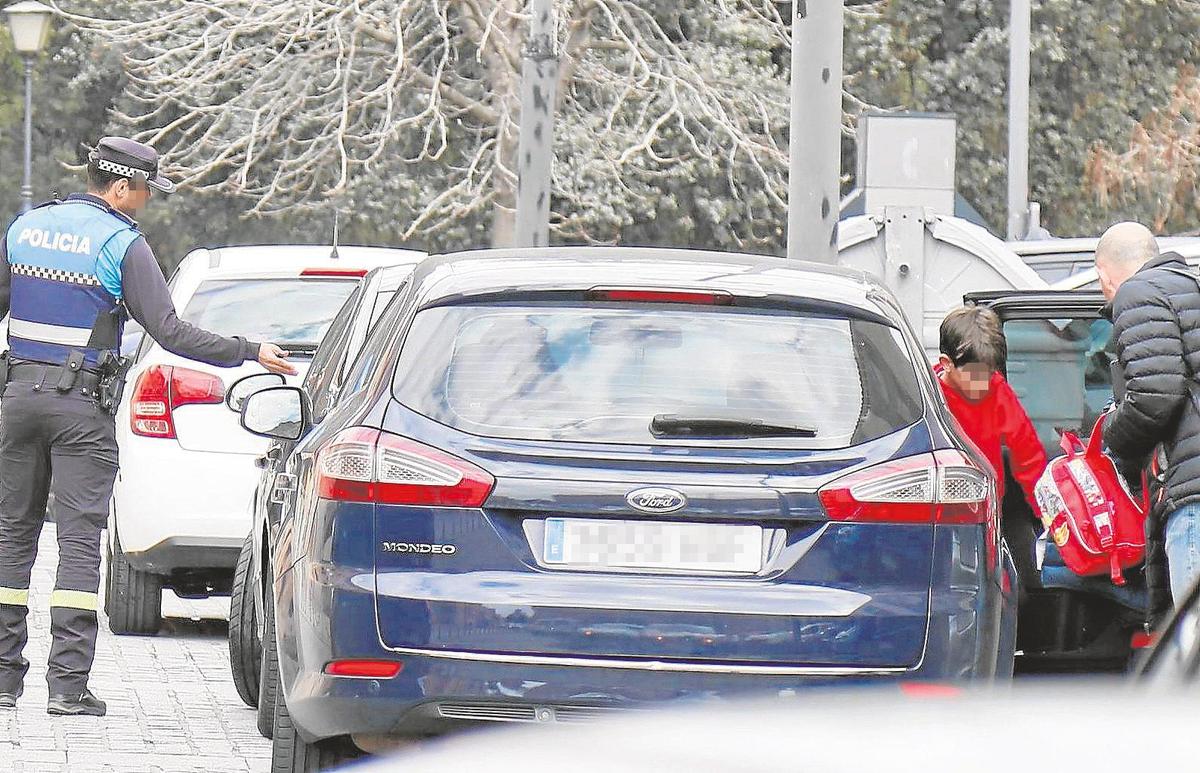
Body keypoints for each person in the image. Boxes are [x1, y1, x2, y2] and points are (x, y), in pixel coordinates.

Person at [0, 137, 297, 717]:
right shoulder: (122, 244)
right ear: (120, 188)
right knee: (80, 543)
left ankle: (3, 680)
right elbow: (171, 332)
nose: (146, 203)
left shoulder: (25, 228)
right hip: (80, 410)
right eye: (144, 192)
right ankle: (66, 688)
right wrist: (249, 349)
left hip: (16, 401)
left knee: (12, 536)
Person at [1096, 221, 1200, 614]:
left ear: (1104, 275)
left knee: (1192, 643)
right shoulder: (1187, 288)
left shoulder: (1137, 293)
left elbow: (1155, 397)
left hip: (1192, 495)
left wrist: (1111, 436)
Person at [935, 305, 1047, 521]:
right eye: (975, 375)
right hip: (941, 509)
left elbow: (1028, 453)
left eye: (988, 373)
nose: (983, 383)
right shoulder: (930, 394)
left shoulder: (997, 390)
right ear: (946, 364)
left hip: (987, 508)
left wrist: (1045, 512)